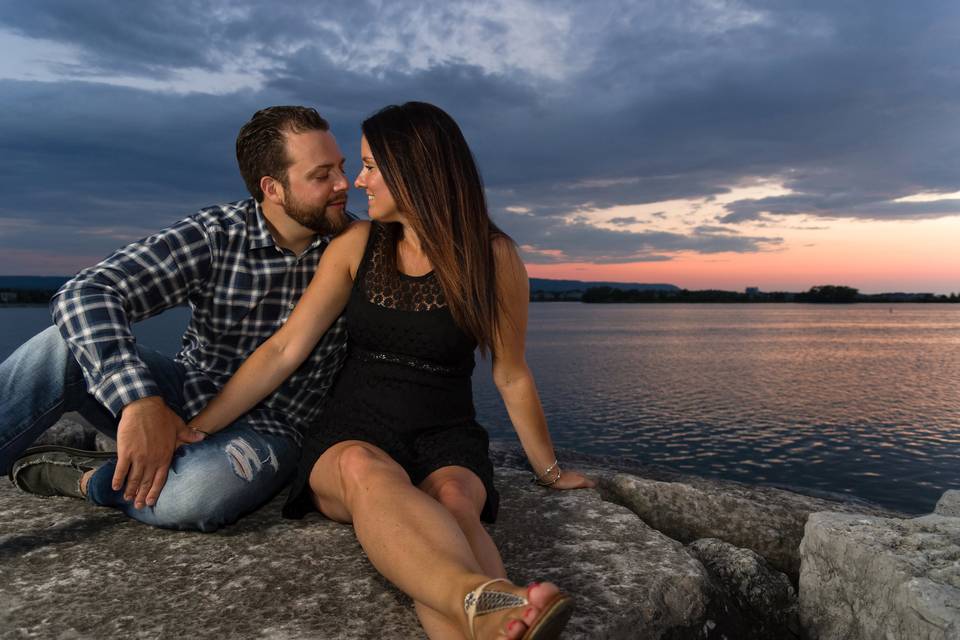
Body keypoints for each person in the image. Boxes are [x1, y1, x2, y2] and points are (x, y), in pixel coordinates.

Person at [188, 102, 594, 639]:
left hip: (446, 434)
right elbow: (285, 349)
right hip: (352, 433)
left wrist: (550, 472)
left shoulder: (493, 258)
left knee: (453, 504)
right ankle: (477, 599)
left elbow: (511, 374)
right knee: (364, 469)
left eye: (371, 166)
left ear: (416, 170)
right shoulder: (357, 245)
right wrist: (201, 428)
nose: (357, 182)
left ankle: (491, 615)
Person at [3, 106, 352, 532]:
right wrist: (140, 400)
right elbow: (85, 292)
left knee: (198, 495)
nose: (343, 184)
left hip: (274, 427)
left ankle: (91, 478)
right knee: (56, 349)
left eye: (341, 167)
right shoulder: (217, 235)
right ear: (273, 188)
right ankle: (144, 442)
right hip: (185, 392)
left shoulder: (355, 247)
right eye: (322, 175)